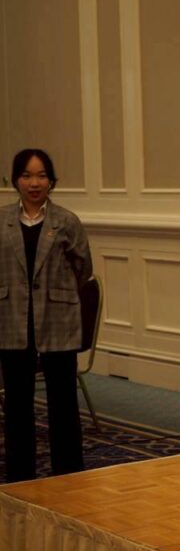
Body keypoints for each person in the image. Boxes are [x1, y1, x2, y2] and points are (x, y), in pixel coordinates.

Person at [0, 148, 92, 482]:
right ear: (16, 180)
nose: (34, 183)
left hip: (57, 319)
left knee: (63, 401)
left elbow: (83, 268)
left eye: (41, 176)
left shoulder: (66, 221)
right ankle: (20, 475)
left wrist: (55, 294)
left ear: (51, 181)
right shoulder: (2, 221)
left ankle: (68, 474)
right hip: (12, 318)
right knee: (17, 402)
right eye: (27, 175)